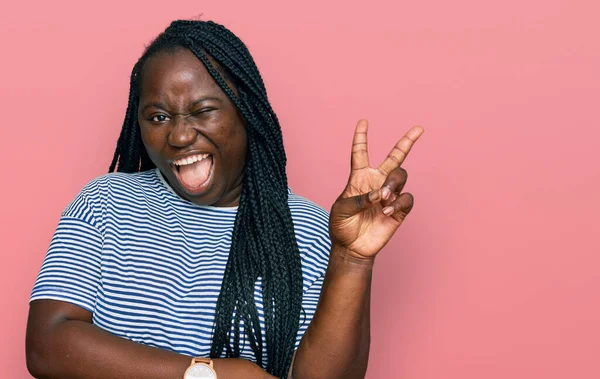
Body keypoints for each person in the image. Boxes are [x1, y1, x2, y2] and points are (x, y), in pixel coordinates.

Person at [25, 20, 423, 379]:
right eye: (158, 116)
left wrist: (352, 259)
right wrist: (208, 375)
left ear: (246, 114)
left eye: (203, 110)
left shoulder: (314, 230)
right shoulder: (105, 202)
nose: (179, 136)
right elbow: (47, 344)